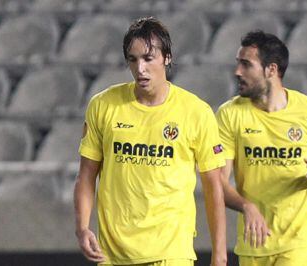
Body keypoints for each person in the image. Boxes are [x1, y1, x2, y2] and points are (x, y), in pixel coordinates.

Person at [74, 17, 227, 266]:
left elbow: (213, 186)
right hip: (113, 254)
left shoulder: (196, 112)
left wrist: (219, 256)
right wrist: (82, 228)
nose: (140, 69)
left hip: (170, 252)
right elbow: (87, 175)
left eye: (148, 58)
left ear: (166, 57)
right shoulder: (103, 105)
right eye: (133, 60)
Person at [215, 30, 307, 266]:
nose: (237, 72)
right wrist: (246, 206)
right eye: (238, 63)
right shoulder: (229, 115)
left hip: (301, 239)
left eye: (246, 64)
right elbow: (218, 181)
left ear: (271, 69)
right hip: (255, 242)